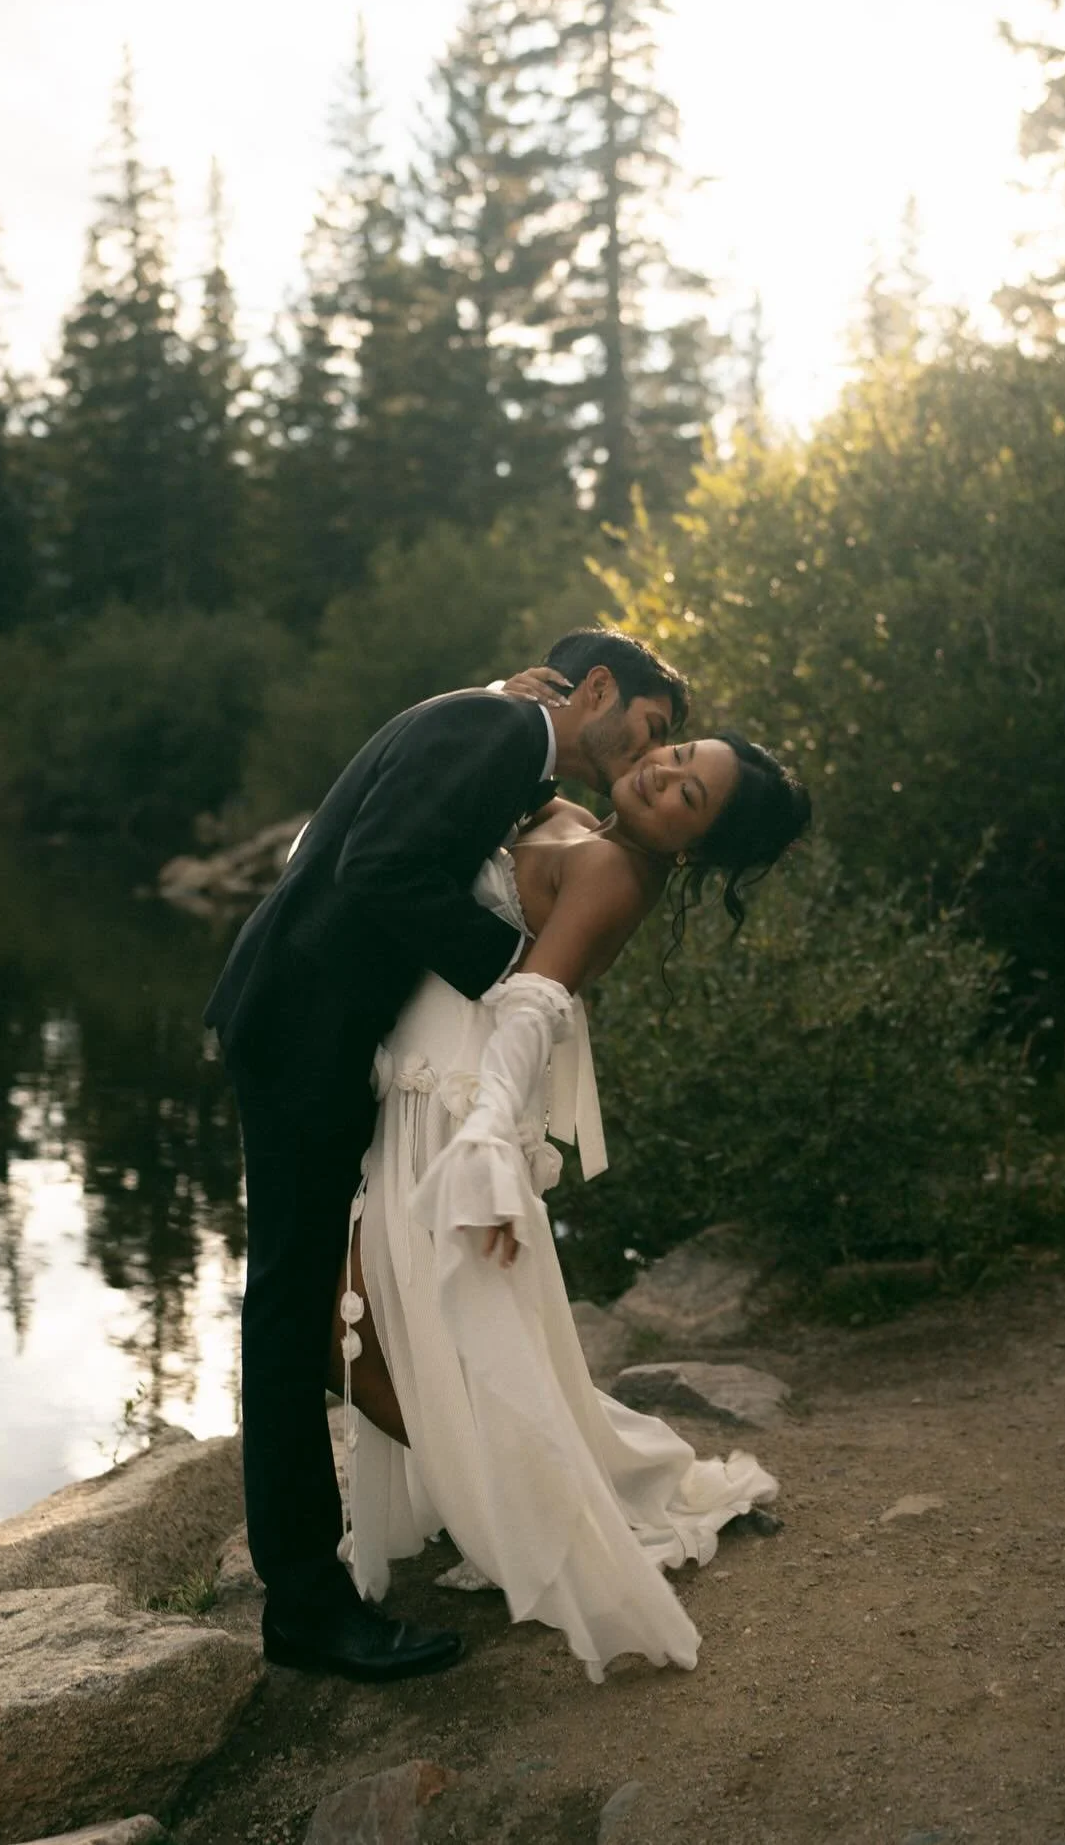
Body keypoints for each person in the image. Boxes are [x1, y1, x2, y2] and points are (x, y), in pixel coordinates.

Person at [204, 629, 690, 1684]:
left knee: (305, 1305)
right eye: (651, 726)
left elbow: (395, 837)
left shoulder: (502, 736)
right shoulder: (496, 728)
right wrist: (518, 966)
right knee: (289, 1313)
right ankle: (306, 1605)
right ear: (597, 689)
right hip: (301, 1033)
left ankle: (351, 1557)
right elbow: (378, 866)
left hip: (314, 1030)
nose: (649, 753)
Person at [325, 727, 810, 1681]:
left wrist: (484, 1135)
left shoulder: (615, 874)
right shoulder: (566, 812)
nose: (663, 773)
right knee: (383, 1328)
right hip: (414, 1083)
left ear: (692, 848)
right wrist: (513, 702)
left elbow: (538, 1005)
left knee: (348, 1326)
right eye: (679, 755)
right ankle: (497, 1492)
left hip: (455, 1106)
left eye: (688, 796)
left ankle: (504, 1501)